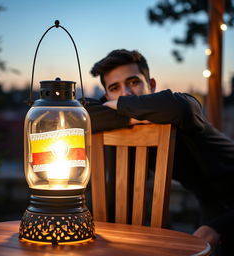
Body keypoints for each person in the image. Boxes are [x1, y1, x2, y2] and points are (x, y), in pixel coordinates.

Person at [84, 49, 234, 255]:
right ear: (106, 97)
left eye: (134, 82)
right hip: (212, 204)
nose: (126, 93)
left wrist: (119, 106)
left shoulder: (182, 109)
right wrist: (132, 116)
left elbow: (181, 108)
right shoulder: (132, 132)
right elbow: (82, 114)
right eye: (115, 88)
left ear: (151, 85)